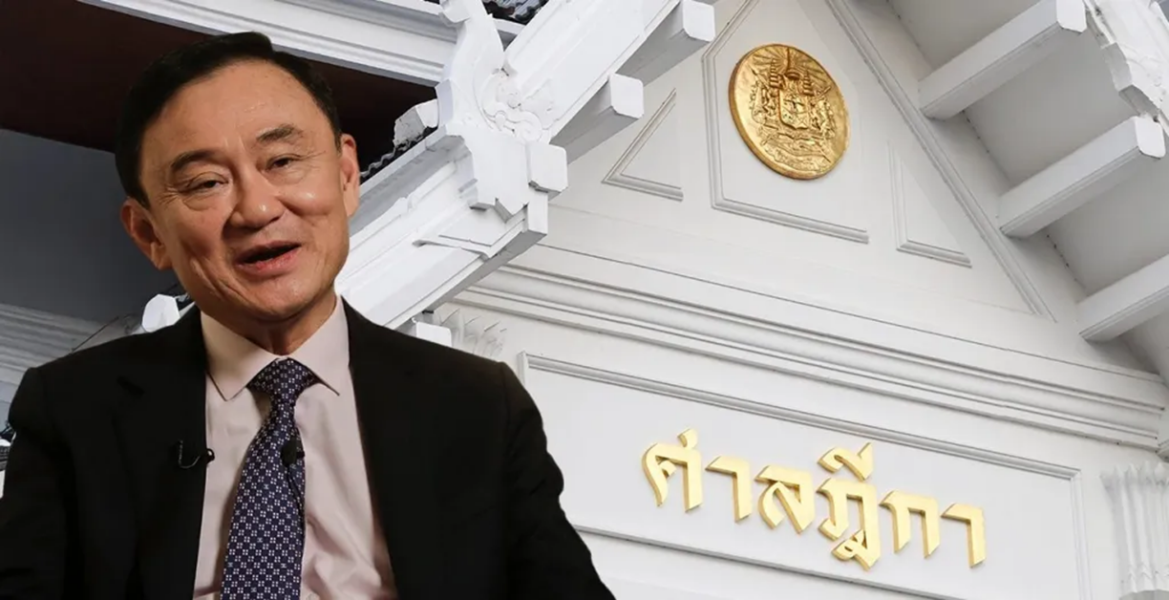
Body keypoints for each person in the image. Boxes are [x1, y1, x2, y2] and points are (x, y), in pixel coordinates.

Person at [0, 32, 615, 600]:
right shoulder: (74, 410)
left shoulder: (477, 409)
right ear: (149, 233)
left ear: (346, 176)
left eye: (283, 161)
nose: (257, 209)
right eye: (206, 183)